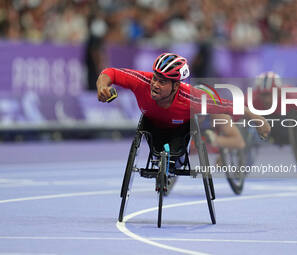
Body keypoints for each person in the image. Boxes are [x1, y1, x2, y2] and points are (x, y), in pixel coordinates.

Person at [96, 53, 271, 191]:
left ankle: (175, 161)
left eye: (162, 82)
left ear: (176, 86)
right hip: (152, 127)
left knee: (179, 148)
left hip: (180, 132)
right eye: (155, 78)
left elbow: (227, 106)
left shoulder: (192, 98)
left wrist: (258, 119)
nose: (155, 84)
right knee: (155, 137)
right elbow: (110, 72)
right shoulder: (142, 81)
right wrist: (102, 87)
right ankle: (163, 159)